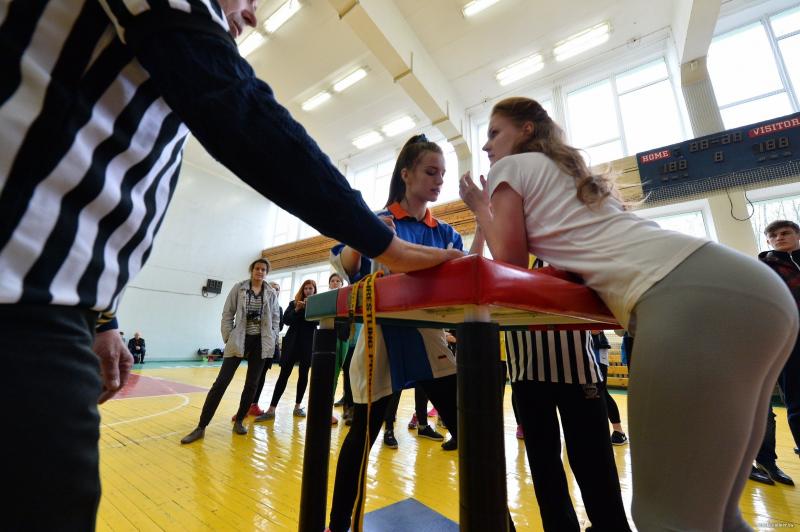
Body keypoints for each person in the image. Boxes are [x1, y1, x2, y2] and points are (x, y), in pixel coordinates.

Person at [1, 1, 462, 528]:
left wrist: (104, 319)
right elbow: (240, 110)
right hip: (20, 298)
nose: (252, 14)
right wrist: (389, 246)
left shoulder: (443, 231)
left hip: (57, 303)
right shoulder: (182, 40)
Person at [459, 96, 797, 530]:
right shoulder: (573, 177)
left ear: (526, 129)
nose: (486, 146)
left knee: (662, 517)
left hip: (690, 297)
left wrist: (479, 206)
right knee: (717, 517)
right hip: (756, 291)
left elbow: (510, 263)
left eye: (494, 133)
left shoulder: (511, 167)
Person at [327, 135, 479, 531]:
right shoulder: (376, 220)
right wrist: (366, 238)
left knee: (472, 439)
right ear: (406, 173)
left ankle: (499, 524)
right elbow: (347, 265)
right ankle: (338, 524)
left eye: (442, 173)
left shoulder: (445, 232)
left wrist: (482, 220)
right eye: (431, 171)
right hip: (380, 340)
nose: (439, 180)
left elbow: (466, 271)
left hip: (430, 340)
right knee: (361, 438)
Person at [180, 258, 280, 444]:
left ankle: (240, 420)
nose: (260, 272)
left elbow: (275, 318)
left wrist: (273, 337)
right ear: (251, 270)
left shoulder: (271, 293)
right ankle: (201, 427)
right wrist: (228, 336)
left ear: (266, 273)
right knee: (221, 383)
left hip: (261, 342)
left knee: (252, 385)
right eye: (257, 268)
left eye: (263, 269)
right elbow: (228, 313)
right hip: (239, 339)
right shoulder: (239, 288)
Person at [748, 220, 800, 486]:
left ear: (797, 235)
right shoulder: (762, 269)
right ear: (768, 240)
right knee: (776, 406)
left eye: (785, 233)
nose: (779, 237)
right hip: (781, 343)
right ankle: (766, 462)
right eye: (773, 235)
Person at [256, 279, 320, 421]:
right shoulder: (293, 303)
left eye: (310, 288)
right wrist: (297, 309)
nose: (308, 291)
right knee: (283, 375)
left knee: (303, 375)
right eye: (306, 288)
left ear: (314, 290)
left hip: (308, 344)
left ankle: (298, 406)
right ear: (302, 290)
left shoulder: (317, 306)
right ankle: (272, 409)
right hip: (292, 343)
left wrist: (309, 309)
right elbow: (286, 320)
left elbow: (318, 321)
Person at [591, 330, 628, 445]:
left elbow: (595, 330)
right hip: (584, 352)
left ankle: (618, 431)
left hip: (596, 352)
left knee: (601, 392)